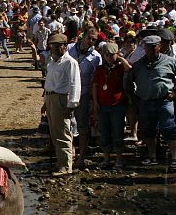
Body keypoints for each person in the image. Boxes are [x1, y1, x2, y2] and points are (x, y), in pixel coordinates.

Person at [126, 35, 176, 170]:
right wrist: (134, 98)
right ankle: (152, 156)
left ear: (159, 47)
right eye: (147, 47)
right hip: (146, 101)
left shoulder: (170, 61)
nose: (149, 50)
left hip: (164, 101)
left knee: (169, 129)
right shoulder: (138, 65)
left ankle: (175, 158)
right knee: (148, 130)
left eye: (153, 46)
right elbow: (128, 80)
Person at [44, 33, 81, 176]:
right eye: (53, 45)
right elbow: (49, 82)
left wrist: (71, 105)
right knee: (55, 132)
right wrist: (45, 102)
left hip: (61, 99)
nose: (53, 48)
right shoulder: (52, 62)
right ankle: (61, 163)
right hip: (51, 98)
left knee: (63, 133)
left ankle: (66, 166)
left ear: (64, 46)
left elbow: (74, 85)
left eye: (57, 46)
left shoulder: (70, 63)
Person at [92, 42, 131, 169]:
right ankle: (106, 158)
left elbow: (129, 68)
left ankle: (119, 159)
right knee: (104, 132)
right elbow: (95, 86)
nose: (109, 58)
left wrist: (120, 58)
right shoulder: (99, 69)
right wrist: (95, 102)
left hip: (118, 105)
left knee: (118, 132)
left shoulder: (119, 68)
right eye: (106, 55)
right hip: (103, 105)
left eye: (112, 55)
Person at [67, 25, 102, 169]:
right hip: (67, 93)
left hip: (84, 95)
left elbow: (97, 80)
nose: (91, 41)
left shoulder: (96, 57)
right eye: (89, 38)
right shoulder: (69, 49)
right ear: (83, 35)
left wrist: (94, 101)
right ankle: (70, 153)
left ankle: (82, 156)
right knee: (67, 124)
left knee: (83, 126)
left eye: (94, 40)